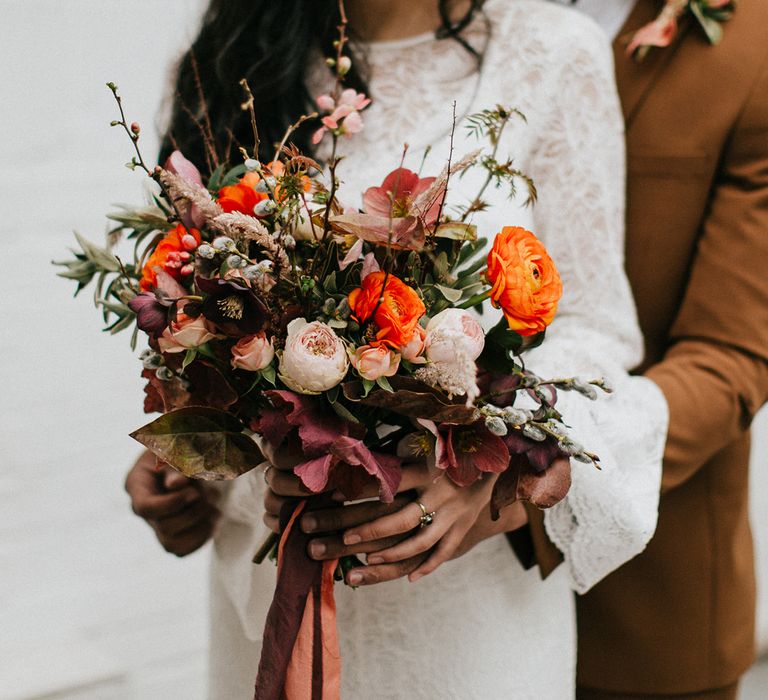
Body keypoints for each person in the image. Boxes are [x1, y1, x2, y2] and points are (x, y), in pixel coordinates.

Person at [125, 0, 669, 697]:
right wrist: (188, 459)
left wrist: (484, 472)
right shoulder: (230, 54)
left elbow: (598, 330)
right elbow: (191, 309)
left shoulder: (551, 51)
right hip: (268, 584)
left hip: (463, 608)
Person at [498, 2, 768, 699]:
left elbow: (729, 355)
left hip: (641, 617)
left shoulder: (755, 48)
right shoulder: (446, 23)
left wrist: (518, 477)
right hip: (420, 596)